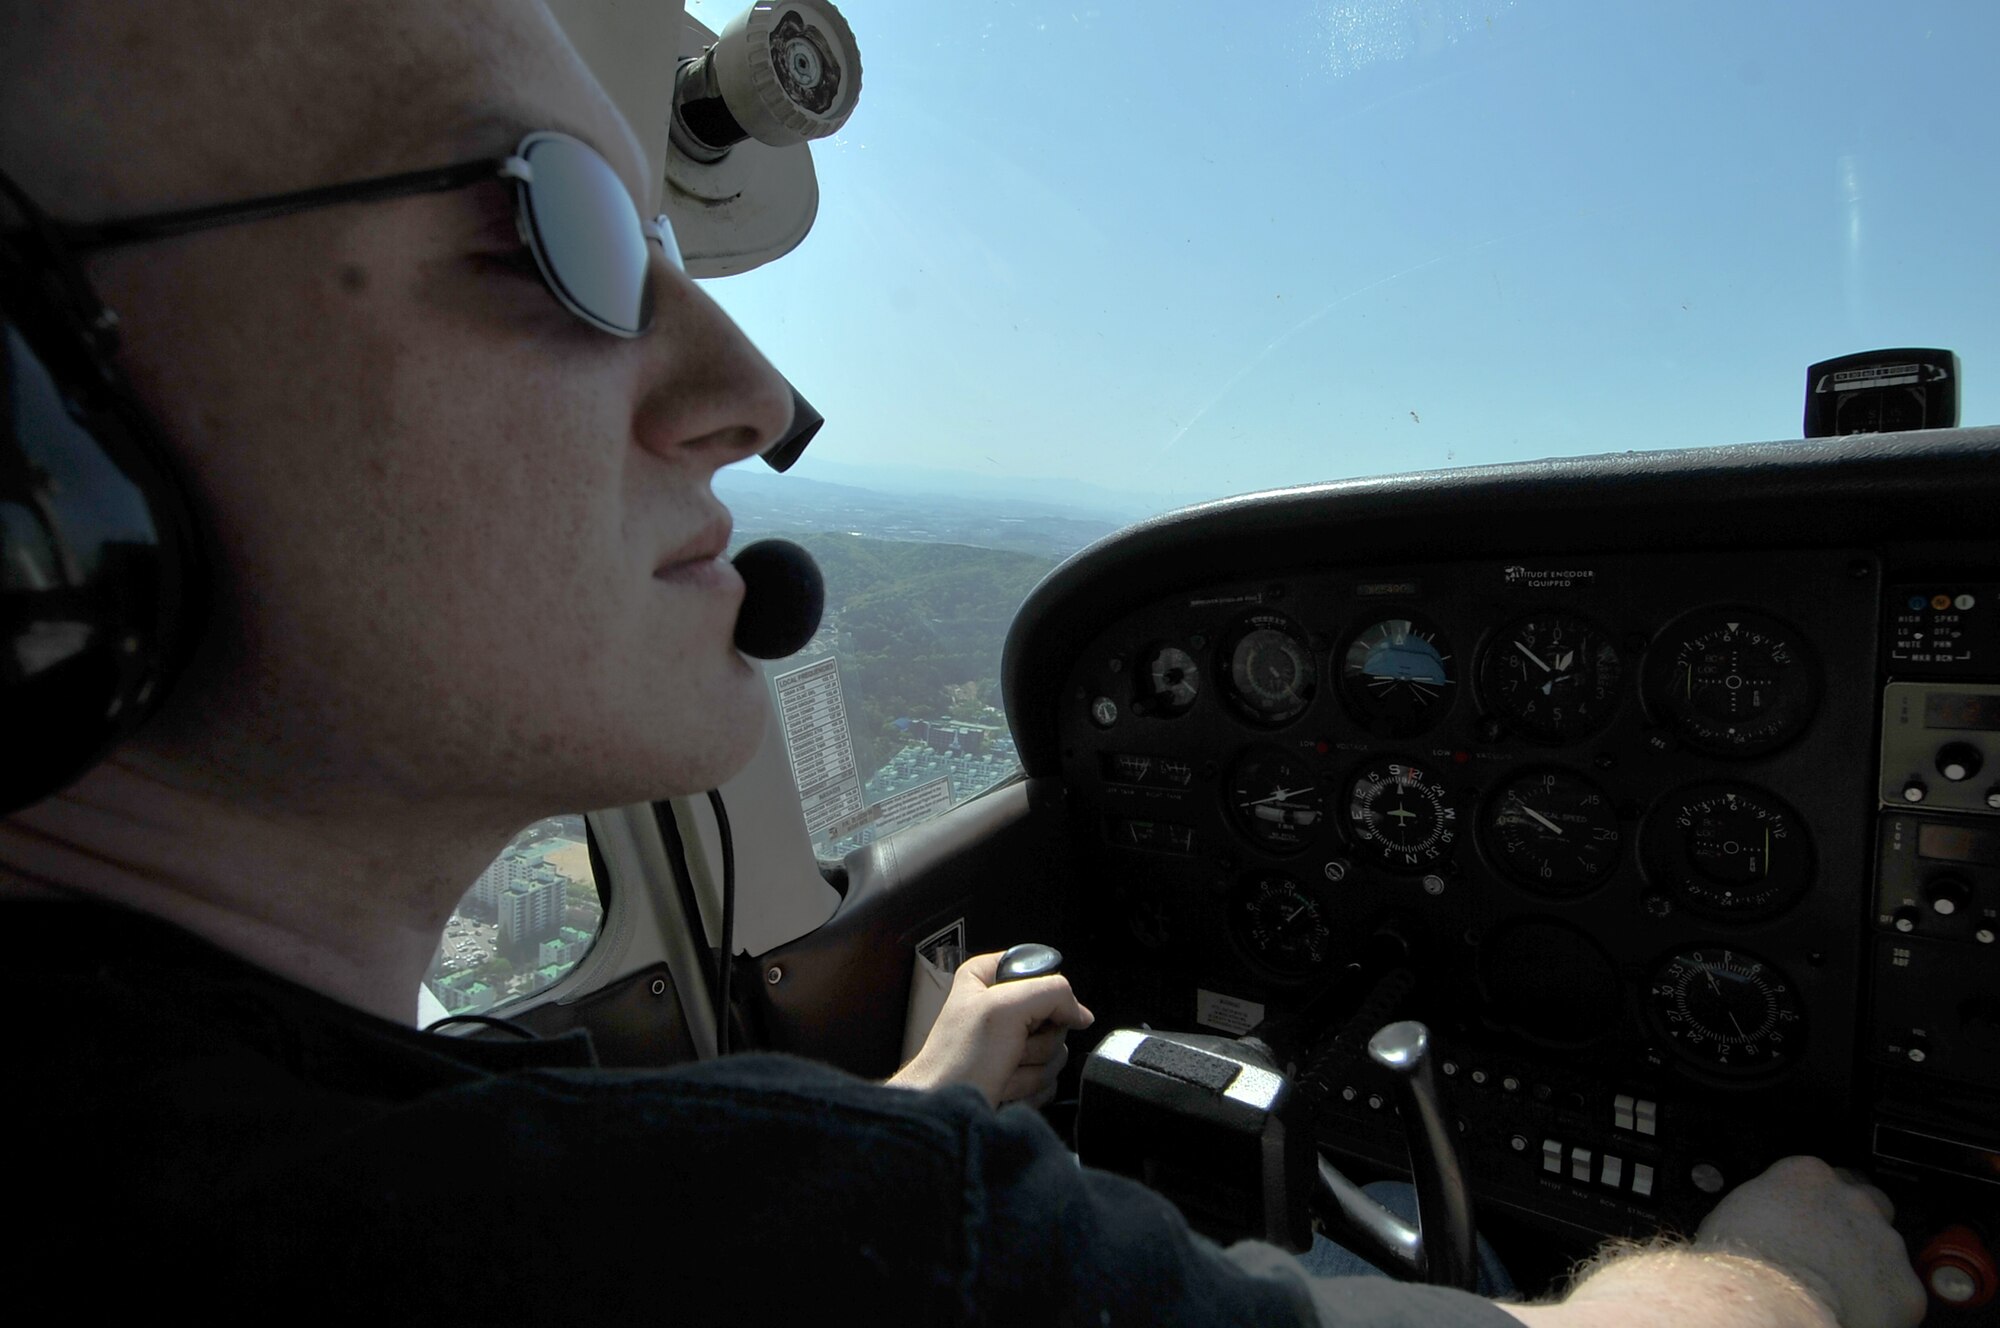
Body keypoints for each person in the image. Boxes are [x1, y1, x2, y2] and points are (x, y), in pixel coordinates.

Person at [0, 4, 1925, 1324]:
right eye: (562, 234)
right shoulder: (786, 1247)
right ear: (35, 425)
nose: (752, 397)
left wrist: (914, 1104)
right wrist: (1788, 1264)